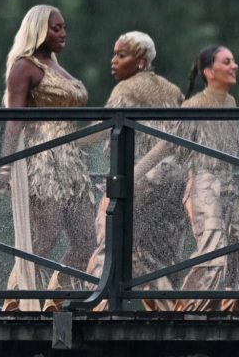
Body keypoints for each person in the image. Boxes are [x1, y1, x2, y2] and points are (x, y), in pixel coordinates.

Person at [0, 5, 96, 312]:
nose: (63, 33)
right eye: (55, 28)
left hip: (72, 161)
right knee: (45, 236)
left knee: (87, 237)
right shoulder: (25, 67)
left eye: (63, 28)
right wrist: (6, 167)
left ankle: (56, 296)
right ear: (38, 30)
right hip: (42, 159)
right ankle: (16, 301)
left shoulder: (56, 66)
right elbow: (14, 119)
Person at [136, 45, 239, 311]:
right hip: (204, 184)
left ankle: (236, 309)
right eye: (227, 62)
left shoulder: (231, 103)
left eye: (234, 61)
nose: (234, 66)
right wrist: (134, 175)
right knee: (213, 250)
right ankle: (187, 310)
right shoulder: (193, 105)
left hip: (229, 185)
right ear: (209, 72)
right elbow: (166, 146)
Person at [83, 31, 187, 311]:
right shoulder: (173, 89)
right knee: (155, 251)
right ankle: (170, 312)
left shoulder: (126, 89)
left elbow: (104, 129)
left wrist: (65, 140)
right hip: (175, 178)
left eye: (121, 55)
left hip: (142, 176)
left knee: (110, 235)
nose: (113, 61)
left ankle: (97, 305)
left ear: (141, 62)